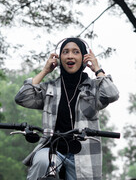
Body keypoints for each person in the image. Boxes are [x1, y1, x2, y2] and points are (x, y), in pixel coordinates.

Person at [15, 37, 119, 180]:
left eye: (76, 52)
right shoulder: (50, 88)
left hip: (84, 156)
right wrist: (45, 70)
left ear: (83, 58)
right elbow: (22, 97)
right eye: (65, 52)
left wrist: (97, 69)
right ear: (59, 58)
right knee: (42, 161)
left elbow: (112, 94)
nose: (70, 55)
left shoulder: (93, 88)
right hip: (52, 150)